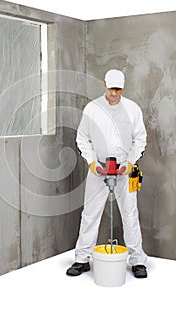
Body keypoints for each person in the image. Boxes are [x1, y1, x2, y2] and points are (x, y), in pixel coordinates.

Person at [66, 69, 148, 279]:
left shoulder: (132, 109)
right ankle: (82, 259)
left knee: (130, 215)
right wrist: (92, 162)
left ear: (123, 87)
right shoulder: (92, 109)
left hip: (124, 170)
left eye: (118, 89)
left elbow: (140, 139)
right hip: (99, 169)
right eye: (111, 88)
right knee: (90, 214)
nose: (114, 93)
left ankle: (137, 260)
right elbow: (82, 137)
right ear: (104, 84)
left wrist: (130, 162)